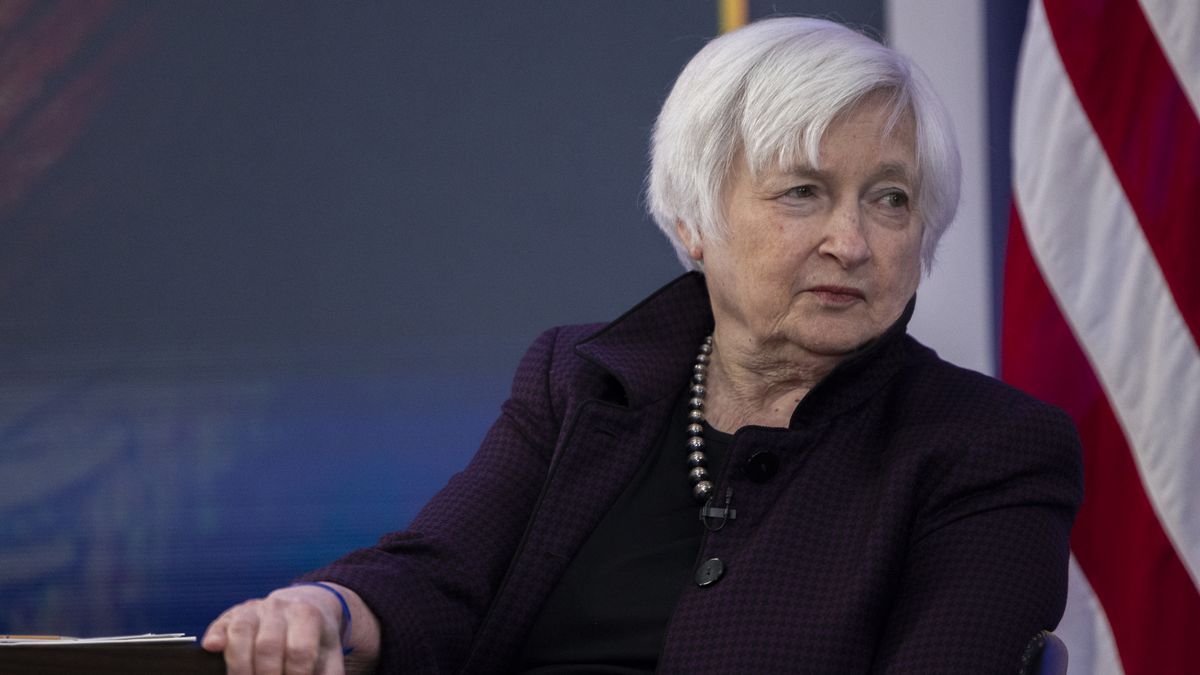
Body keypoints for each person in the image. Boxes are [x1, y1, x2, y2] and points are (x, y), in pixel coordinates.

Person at [202, 16, 1082, 674]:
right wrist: (326, 608)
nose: (851, 241)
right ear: (695, 220)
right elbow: (441, 577)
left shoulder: (989, 448)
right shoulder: (584, 382)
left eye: (889, 198)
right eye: (803, 192)